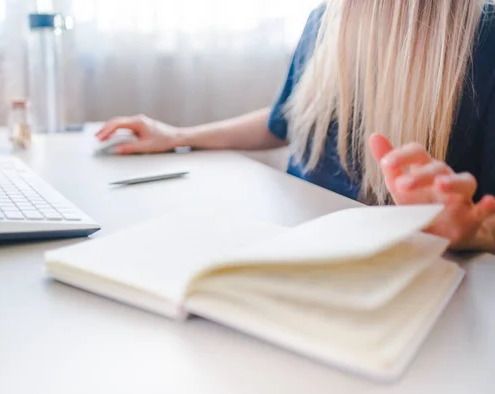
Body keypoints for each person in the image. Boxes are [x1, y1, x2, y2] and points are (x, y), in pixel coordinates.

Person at [96, 1, 495, 252]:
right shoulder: (322, 19)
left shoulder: (486, 38)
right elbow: (284, 122)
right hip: (288, 245)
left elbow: (484, 219)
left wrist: (472, 235)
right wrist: (178, 136)